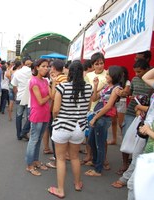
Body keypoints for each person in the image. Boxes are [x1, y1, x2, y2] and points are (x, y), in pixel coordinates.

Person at [48, 60, 93, 198]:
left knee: (61, 159)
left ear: (70, 72)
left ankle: (60, 190)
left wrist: (57, 119)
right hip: (79, 127)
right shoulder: (89, 88)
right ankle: (78, 183)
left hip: (62, 126)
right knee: (75, 157)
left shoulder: (62, 87)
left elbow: (55, 110)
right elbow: (87, 107)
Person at [117, 52, 152, 175]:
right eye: (135, 72)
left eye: (139, 72)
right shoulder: (135, 80)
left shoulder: (151, 81)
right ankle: (125, 163)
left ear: (147, 70)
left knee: (141, 141)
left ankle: (136, 167)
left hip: (146, 115)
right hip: (131, 112)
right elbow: (129, 91)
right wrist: (125, 93)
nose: (137, 74)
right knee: (126, 136)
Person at [85, 66, 123, 177]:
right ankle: (96, 161)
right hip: (96, 115)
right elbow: (94, 98)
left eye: (107, 74)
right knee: (91, 141)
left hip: (102, 118)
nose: (105, 76)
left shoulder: (117, 89)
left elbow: (108, 106)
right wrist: (96, 85)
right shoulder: (106, 86)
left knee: (99, 144)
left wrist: (95, 118)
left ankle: (98, 169)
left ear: (114, 76)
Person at [25, 59, 52, 176]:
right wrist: (49, 97)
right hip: (37, 114)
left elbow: (52, 95)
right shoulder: (34, 81)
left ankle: (35, 160)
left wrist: (53, 86)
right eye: (43, 66)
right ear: (37, 67)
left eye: (47, 66)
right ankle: (29, 165)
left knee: (39, 139)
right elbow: (41, 101)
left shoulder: (45, 81)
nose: (46, 68)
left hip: (45, 113)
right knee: (34, 139)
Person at [11, 58, 32, 140]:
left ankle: (19, 134)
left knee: (19, 116)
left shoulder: (17, 72)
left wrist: (16, 93)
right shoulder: (33, 72)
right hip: (29, 97)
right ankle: (24, 132)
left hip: (20, 96)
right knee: (30, 117)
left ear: (23, 64)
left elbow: (14, 85)